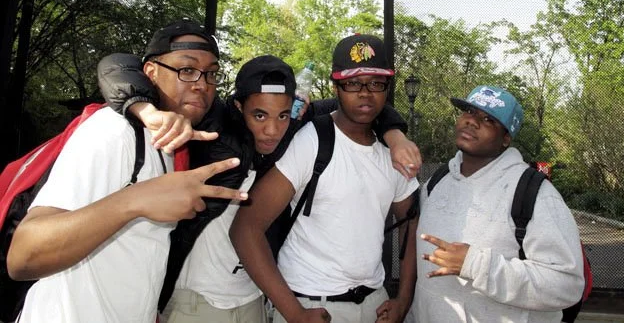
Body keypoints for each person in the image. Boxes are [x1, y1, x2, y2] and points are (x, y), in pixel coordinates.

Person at [96, 51, 421, 323]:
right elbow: (117, 65)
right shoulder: (214, 129)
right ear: (238, 107)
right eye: (260, 115)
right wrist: (146, 109)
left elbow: (362, 107)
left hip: (252, 299)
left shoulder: (298, 124)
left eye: (282, 115)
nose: (272, 130)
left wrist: (395, 134)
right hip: (197, 300)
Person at [6, 19, 247, 323]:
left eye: (211, 73)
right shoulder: (115, 131)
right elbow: (24, 255)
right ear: (150, 73)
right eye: (186, 70)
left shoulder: (168, 146)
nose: (202, 83)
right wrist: (135, 200)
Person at [230, 34, 420, 323]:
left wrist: (403, 299)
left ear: (387, 88)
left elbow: (410, 226)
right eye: (353, 83)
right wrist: (294, 313)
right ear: (336, 87)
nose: (365, 93)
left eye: (376, 83)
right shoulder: (312, 140)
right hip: (312, 304)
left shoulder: (394, 152)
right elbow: (246, 229)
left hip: (376, 305)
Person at [410, 85, 585, 323]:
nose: (472, 122)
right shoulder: (436, 182)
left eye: (488, 120)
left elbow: (567, 285)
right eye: (469, 112)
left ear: (506, 138)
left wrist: (476, 265)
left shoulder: (534, 193)